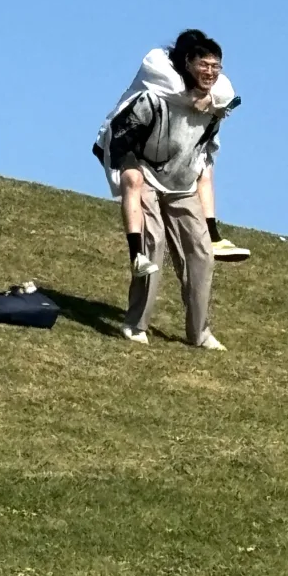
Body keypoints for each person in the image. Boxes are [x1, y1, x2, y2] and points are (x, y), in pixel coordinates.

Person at [93, 30, 247, 348]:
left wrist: (213, 228)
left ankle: (199, 332)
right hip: (144, 170)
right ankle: (136, 325)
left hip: (181, 181)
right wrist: (127, 172)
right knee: (153, 244)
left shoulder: (217, 102)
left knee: (201, 253)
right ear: (186, 63)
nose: (210, 72)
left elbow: (207, 156)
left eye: (215, 66)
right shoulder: (155, 92)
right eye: (202, 65)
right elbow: (121, 137)